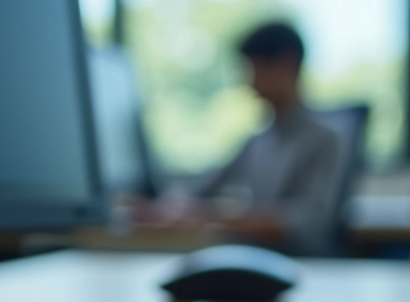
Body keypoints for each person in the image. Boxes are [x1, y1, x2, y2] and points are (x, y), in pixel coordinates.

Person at [144, 22, 341, 251]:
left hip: (300, 264)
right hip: (257, 254)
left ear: (286, 64)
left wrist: (210, 215)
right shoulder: (259, 139)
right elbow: (204, 186)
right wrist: (163, 207)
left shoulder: (325, 139)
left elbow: (307, 222)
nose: (248, 82)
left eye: (253, 69)